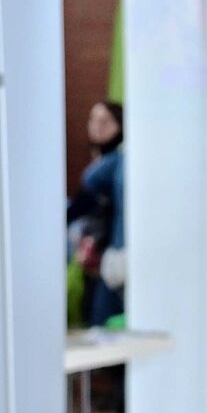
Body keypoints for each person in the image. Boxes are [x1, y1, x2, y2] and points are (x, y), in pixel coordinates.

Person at [72, 99, 125, 329]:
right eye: (94, 120)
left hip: (112, 254)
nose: (97, 126)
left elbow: (81, 205)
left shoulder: (115, 163)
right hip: (101, 255)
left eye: (105, 121)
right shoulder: (103, 161)